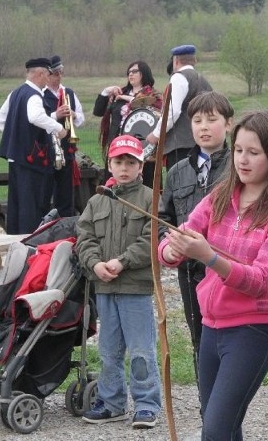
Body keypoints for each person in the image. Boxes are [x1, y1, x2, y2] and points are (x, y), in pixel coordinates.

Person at [159, 111, 268, 440]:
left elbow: (259, 280)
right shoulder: (221, 196)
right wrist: (172, 250)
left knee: (216, 429)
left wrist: (208, 256)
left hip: (253, 332)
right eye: (238, 150)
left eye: (254, 153)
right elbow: (176, 237)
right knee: (223, 428)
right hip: (211, 329)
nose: (243, 160)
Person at [76, 134, 162, 429]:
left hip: (136, 288)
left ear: (141, 166)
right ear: (109, 165)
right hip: (105, 288)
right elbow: (83, 238)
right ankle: (112, 403)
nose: (124, 168)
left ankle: (147, 404)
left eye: (131, 162)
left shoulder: (151, 198)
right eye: (118, 162)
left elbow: (152, 238)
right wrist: (95, 264)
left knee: (141, 350)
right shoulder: (97, 201)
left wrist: (122, 261)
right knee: (108, 351)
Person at [158, 91, 234, 387]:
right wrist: (170, 242)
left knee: (226, 340)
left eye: (212, 120)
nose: (204, 127)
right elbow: (163, 217)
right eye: (197, 120)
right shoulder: (177, 172)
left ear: (228, 124)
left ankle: (224, 408)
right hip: (189, 272)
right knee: (199, 339)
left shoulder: (238, 168)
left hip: (224, 270)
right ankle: (208, 411)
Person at [0, 57, 67, 233]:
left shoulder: (16, 93)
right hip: (31, 160)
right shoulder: (34, 95)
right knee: (31, 205)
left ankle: (13, 239)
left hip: (15, 158)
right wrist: (58, 128)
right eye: (48, 75)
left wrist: (17, 138)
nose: (48, 80)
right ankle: (29, 243)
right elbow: (35, 117)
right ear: (41, 74)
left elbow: (1, 119)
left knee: (16, 204)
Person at [93, 60, 163, 187]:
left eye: (135, 71)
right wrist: (106, 91)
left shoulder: (153, 95)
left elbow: (156, 110)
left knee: (145, 184)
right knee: (114, 182)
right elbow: (98, 111)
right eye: (129, 72)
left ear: (144, 73)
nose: (131, 74)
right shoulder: (119, 93)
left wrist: (127, 99)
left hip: (144, 147)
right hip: (118, 144)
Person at [146, 44, 212, 169]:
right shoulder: (204, 81)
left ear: (176, 61)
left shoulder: (178, 77)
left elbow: (172, 112)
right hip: (200, 143)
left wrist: (155, 135)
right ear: (194, 60)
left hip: (180, 148)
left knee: (179, 186)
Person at [42, 55, 86, 217]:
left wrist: (73, 114)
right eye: (56, 73)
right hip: (46, 151)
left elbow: (81, 120)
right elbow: (37, 121)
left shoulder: (69, 93)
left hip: (67, 150)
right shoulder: (39, 94)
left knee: (66, 195)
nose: (59, 76)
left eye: (61, 72)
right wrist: (55, 114)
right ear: (47, 75)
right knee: (45, 194)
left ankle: (65, 225)